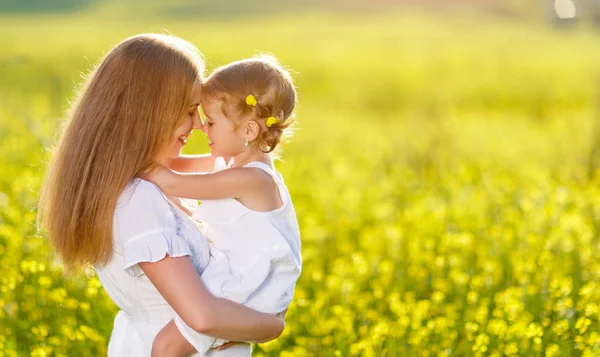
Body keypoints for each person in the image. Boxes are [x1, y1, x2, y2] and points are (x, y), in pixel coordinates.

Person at [37, 33, 284, 357]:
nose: (198, 124)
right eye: (188, 110)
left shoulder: (135, 185)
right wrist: (273, 325)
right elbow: (202, 315)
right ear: (148, 114)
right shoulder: (138, 200)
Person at [146, 56, 302, 356]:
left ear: (249, 131)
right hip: (235, 280)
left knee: (165, 346)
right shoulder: (233, 164)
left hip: (245, 290)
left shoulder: (252, 179)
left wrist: (123, 162)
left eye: (212, 121)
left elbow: (173, 181)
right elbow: (174, 164)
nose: (203, 128)